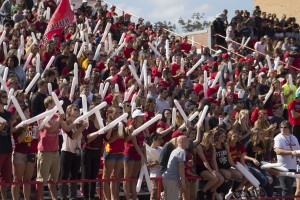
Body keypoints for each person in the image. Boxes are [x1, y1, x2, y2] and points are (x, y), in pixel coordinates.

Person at [36, 96, 63, 200]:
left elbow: (61, 127)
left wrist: (60, 119)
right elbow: (50, 129)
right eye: (53, 103)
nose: (55, 106)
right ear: (49, 104)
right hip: (45, 151)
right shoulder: (42, 116)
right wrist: (58, 120)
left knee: (54, 179)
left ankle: (54, 198)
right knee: (41, 179)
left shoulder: (56, 115)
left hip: (55, 150)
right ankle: (40, 198)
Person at [59, 104, 88, 200]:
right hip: (66, 151)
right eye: (75, 110)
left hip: (77, 152)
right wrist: (81, 127)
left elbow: (83, 138)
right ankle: (63, 196)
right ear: (69, 112)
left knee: (74, 175)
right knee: (64, 175)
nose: (78, 111)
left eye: (78, 110)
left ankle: (73, 196)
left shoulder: (80, 123)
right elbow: (73, 135)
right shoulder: (66, 122)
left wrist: (84, 127)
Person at [11, 106, 37, 200]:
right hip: (19, 153)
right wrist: (25, 129)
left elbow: (34, 139)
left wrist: (36, 133)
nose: (28, 113)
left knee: (27, 180)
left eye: (29, 112)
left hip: (30, 152)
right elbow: (18, 140)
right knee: (17, 179)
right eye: (26, 111)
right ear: (20, 113)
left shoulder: (32, 123)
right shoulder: (16, 125)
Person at [123, 109, 148, 200]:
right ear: (136, 118)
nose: (143, 118)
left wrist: (144, 156)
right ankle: (127, 197)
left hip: (138, 153)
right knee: (127, 177)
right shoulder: (131, 128)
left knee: (134, 177)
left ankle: (134, 197)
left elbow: (143, 143)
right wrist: (142, 155)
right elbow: (135, 143)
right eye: (141, 117)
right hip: (130, 153)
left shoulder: (142, 127)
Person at [274, 120, 300, 199]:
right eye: (281, 127)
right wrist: (291, 152)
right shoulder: (278, 138)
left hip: (293, 166)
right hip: (283, 167)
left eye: (285, 127)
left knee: (289, 189)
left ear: (289, 128)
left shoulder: (294, 137)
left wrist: (296, 154)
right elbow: (277, 151)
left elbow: (298, 150)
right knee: (287, 189)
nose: (283, 129)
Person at [162, 135, 190, 200]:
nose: (189, 142)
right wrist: (183, 182)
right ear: (181, 142)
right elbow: (181, 166)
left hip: (167, 178)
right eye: (187, 141)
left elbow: (179, 165)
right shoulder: (182, 151)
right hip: (172, 179)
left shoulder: (175, 150)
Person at [0, 90, 12, 200]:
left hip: (7, 148)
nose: (6, 98)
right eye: (4, 96)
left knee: (5, 179)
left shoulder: (8, 114)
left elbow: (11, 131)